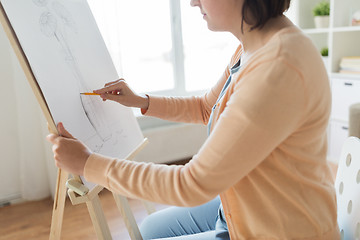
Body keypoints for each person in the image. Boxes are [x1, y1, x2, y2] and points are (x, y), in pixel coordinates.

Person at [46, 0, 341, 239]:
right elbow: (205, 107)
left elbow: (190, 184)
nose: (191, 2)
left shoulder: (278, 66)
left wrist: (88, 164)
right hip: (241, 201)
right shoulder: (250, 45)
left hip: (279, 229)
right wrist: (140, 102)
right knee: (146, 230)